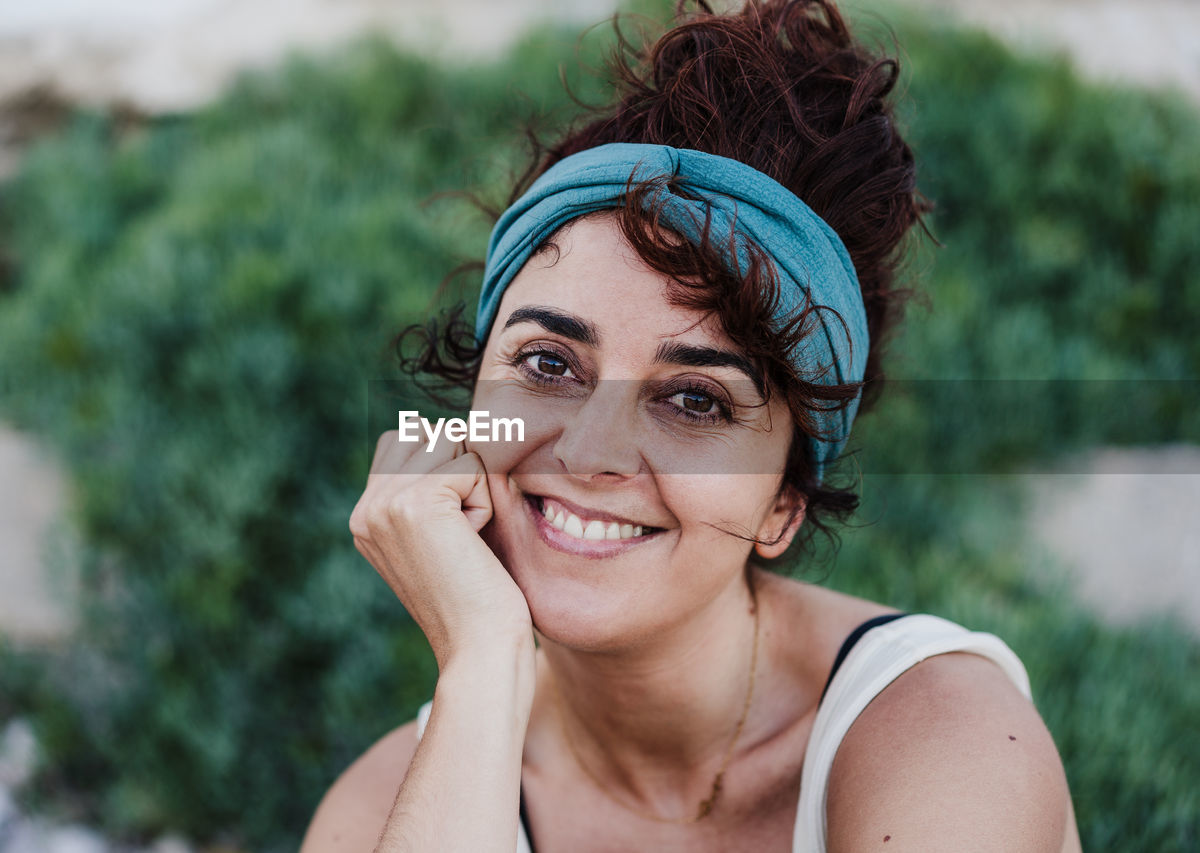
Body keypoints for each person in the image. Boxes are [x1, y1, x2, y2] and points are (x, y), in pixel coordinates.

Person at [302, 1, 1081, 850]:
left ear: (784, 501)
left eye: (695, 400)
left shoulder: (943, 741)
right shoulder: (380, 810)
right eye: (549, 365)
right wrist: (485, 661)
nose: (589, 452)